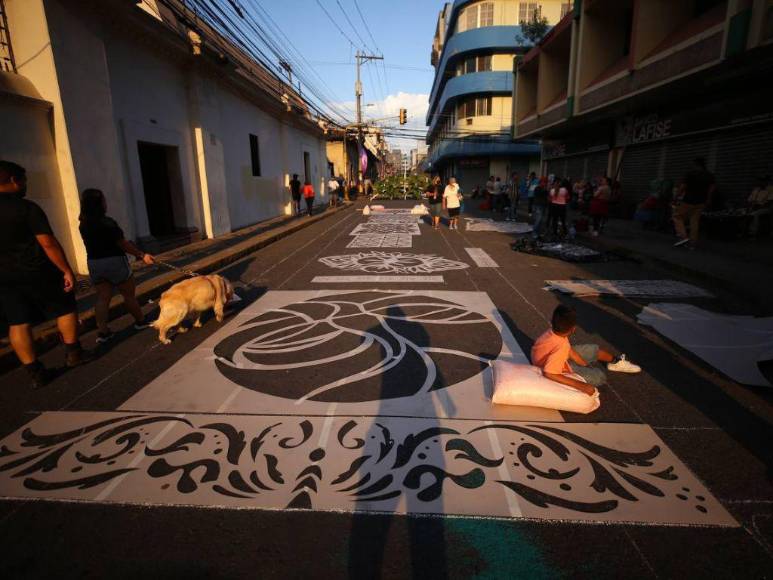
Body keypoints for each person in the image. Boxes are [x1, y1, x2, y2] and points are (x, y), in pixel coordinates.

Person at [0, 161, 95, 388]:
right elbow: (48, 243)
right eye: (24, 181)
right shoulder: (26, 208)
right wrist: (66, 270)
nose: (25, 186)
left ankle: (35, 372)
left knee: (18, 323)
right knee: (65, 308)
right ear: (13, 180)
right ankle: (74, 353)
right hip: (37, 271)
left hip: (4, 278)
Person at [78, 189, 155, 344]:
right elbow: (122, 243)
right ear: (100, 204)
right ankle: (140, 321)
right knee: (128, 295)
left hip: (94, 263)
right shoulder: (108, 223)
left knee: (103, 298)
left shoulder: (83, 224)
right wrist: (141, 255)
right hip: (114, 261)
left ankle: (103, 331)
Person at [531, 305, 641, 395]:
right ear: (573, 329)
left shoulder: (553, 332)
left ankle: (616, 362)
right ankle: (612, 364)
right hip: (553, 366)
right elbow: (549, 373)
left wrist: (581, 362)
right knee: (600, 377)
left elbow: (567, 348)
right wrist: (581, 385)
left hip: (553, 357)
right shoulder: (561, 347)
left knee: (593, 349)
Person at [673, 157, 715, 248]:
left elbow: (683, 187)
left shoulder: (691, 174)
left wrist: (675, 197)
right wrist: (708, 199)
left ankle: (683, 237)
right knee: (694, 221)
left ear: (695, 164)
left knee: (677, 216)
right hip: (701, 201)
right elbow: (711, 189)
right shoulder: (709, 175)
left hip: (689, 200)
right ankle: (692, 243)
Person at [531, 176, 549, 240]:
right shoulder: (537, 188)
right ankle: (534, 233)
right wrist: (545, 189)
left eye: (546, 182)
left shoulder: (545, 189)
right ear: (541, 182)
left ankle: (538, 233)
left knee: (541, 220)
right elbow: (538, 196)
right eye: (544, 182)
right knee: (538, 220)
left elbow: (547, 197)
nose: (546, 184)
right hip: (538, 206)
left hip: (543, 206)